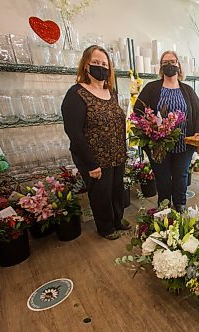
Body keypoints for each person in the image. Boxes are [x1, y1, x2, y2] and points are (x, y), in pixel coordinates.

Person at [61, 45, 129, 240]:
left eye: (105, 64)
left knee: (116, 191)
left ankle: (117, 220)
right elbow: (73, 132)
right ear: (86, 66)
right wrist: (91, 163)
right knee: (101, 195)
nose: (101, 67)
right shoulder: (76, 94)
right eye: (96, 63)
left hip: (116, 154)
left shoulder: (111, 92)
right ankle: (106, 227)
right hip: (94, 159)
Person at [134, 50, 199, 212]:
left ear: (178, 65)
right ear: (161, 67)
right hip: (158, 144)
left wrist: (198, 133)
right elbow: (138, 111)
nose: (169, 65)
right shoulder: (151, 88)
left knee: (181, 177)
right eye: (165, 63)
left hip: (183, 144)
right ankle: (164, 208)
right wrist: (148, 129)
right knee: (163, 178)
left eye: (173, 62)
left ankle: (180, 206)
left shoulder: (187, 90)